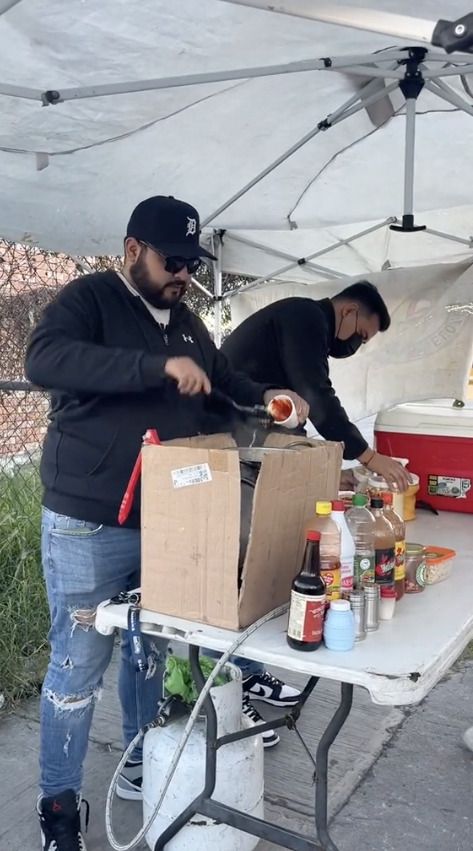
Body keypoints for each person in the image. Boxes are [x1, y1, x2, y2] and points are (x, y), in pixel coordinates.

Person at [25, 195, 308, 850]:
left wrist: (268, 399)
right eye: (172, 260)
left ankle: (139, 762)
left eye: (191, 262)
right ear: (132, 251)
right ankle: (60, 813)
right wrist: (150, 367)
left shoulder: (185, 321)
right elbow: (45, 360)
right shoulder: (90, 300)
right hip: (88, 523)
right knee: (76, 668)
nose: (183, 274)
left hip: (169, 518)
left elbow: (222, 379)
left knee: (149, 647)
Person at [222, 282, 411, 492]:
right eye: (361, 334)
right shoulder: (306, 317)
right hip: (233, 420)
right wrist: (369, 457)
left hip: (248, 419)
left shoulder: (306, 319)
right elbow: (316, 396)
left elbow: (299, 412)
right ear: (349, 311)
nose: (357, 345)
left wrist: (329, 476)